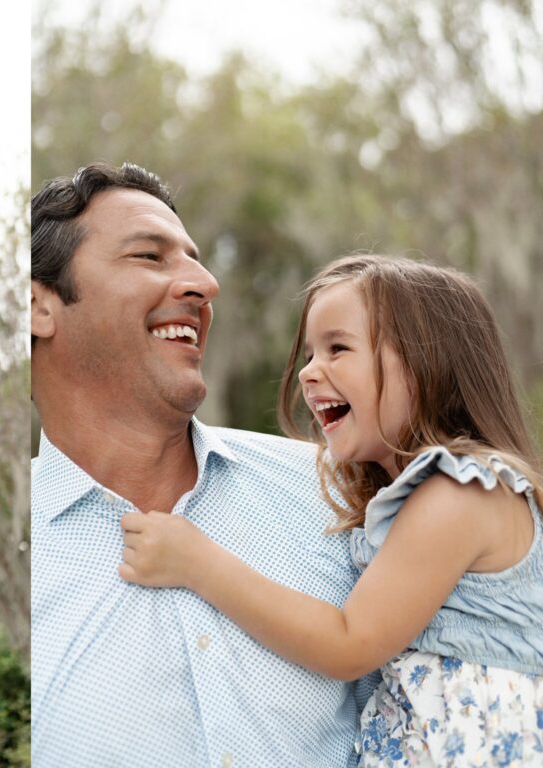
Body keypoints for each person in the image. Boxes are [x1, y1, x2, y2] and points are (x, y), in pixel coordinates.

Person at [121, 255, 543, 765]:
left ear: (426, 363)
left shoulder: (457, 495)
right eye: (310, 353)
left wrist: (198, 564)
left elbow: (350, 644)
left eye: (338, 348)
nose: (307, 372)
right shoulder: (418, 496)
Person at [30, 162, 376, 767]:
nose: (204, 283)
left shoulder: (341, 491)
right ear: (37, 307)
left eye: (194, 258)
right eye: (149, 256)